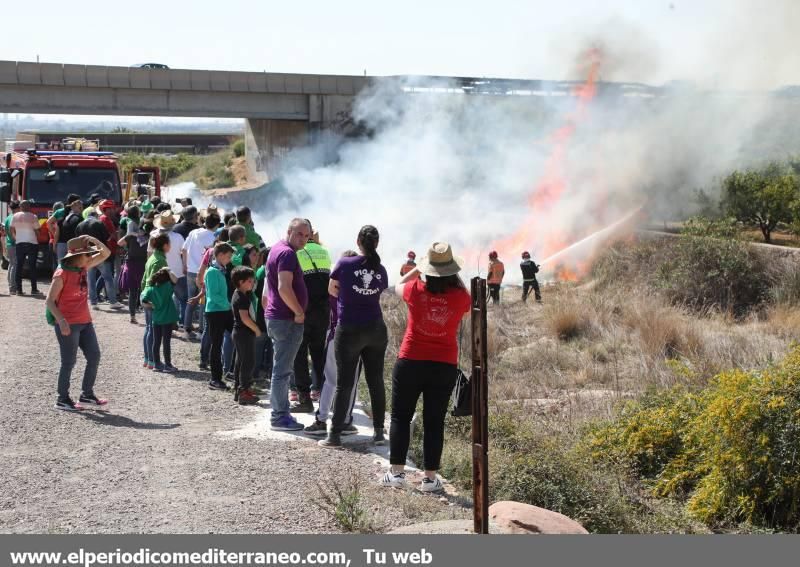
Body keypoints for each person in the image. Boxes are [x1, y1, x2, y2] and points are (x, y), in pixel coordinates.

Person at [381, 242, 471, 492]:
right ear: (452, 271)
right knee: (434, 421)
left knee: (401, 415)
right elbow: (468, 296)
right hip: (443, 365)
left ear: (427, 269)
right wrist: (452, 273)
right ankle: (430, 479)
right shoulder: (461, 296)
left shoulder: (414, 289)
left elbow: (393, 288)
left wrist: (418, 268)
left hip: (410, 360)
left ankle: (396, 474)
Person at [319, 225, 389, 448]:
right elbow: (380, 291)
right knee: (376, 381)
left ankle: (335, 435)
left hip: (349, 328)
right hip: (376, 328)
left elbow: (332, 289)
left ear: (358, 240)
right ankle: (379, 433)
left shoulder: (345, 263)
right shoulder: (381, 269)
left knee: (344, 383)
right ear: (376, 244)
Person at [45, 236, 111, 411]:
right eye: (86, 254)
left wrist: (95, 241)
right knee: (68, 362)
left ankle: (86, 395)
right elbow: (49, 301)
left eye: (90, 254)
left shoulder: (82, 267)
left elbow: (106, 253)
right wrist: (62, 321)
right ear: (75, 256)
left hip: (85, 321)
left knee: (94, 356)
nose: (90, 257)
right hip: (68, 323)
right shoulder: (61, 273)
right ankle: (62, 399)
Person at [304, 250, 361, 437]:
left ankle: (321, 420)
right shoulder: (361, 290)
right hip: (357, 336)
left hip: (336, 335)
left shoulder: (334, 289)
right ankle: (344, 421)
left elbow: (332, 282)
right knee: (350, 382)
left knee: (330, 380)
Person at [264, 218, 311, 431]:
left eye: (306, 235)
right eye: (299, 234)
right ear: (289, 231)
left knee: (281, 369)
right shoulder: (287, 254)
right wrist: (298, 312)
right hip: (287, 319)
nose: (303, 239)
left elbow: (268, 287)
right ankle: (279, 416)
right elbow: (284, 287)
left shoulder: (276, 249)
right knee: (282, 371)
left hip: (278, 317)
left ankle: (281, 412)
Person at [292, 227, 332, 411]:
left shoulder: (297, 252)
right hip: (322, 310)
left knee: (300, 353)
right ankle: (321, 390)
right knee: (318, 352)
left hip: (304, 308)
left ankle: (303, 396)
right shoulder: (324, 251)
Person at [182, 212, 219, 337]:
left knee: (191, 299)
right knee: (203, 301)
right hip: (203, 272)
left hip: (190, 270)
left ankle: (186, 326)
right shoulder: (214, 237)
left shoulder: (194, 232)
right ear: (217, 224)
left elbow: (184, 249)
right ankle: (202, 329)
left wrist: (184, 265)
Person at [205, 242, 235, 391]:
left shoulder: (222, 269)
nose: (230, 259)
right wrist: (229, 305)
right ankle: (215, 379)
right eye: (228, 256)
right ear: (221, 255)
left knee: (238, 336)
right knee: (216, 345)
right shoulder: (211, 271)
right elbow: (213, 295)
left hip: (224, 310)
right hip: (215, 312)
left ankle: (233, 371)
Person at [76, 210, 121, 308]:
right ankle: (113, 302)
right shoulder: (99, 223)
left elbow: (77, 241)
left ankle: (93, 302)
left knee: (90, 279)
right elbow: (107, 237)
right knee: (108, 278)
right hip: (100, 254)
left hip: (87, 254)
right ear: (96, 215)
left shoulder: (80, 225)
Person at [151, 211, 187, 329]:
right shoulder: (178, 237)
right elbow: (183, 253)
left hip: (160, 272)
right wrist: (185, 266)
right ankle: (182, 321)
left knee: (165, 298)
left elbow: (149, 254)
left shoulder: (153, 236)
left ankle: (169, 321)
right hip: (177, 271)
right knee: (182, 299)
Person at [230, 265, 261, 405]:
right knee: (248, 362)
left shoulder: (240, 294)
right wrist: (256, 329)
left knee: (240, 362)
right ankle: (244, 391)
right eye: (249, 281)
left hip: (240, 333)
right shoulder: (241, 297)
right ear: (241, 281)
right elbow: (245, 318)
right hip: (244, 333)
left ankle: (239, 389)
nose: (252, 283)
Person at [141, 267, 180, 373]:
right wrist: (168, 270)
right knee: (166, 342)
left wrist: (151, 305)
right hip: (167, 319)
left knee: (156, 341)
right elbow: (175, 280)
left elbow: (143, 300)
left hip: (156, 318)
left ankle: (157, 364)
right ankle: (167, 365)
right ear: (167, 278)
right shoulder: (167, 286)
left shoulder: (151, 288)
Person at [141, 233, 170, 369]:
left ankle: (148, 359)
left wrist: (143, 295)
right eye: (169, 243)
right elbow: (159, 284)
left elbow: (144, 278)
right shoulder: (160, 261)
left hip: (147, 295)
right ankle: (153, 360)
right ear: (165, 245)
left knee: (149, 329)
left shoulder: (152, 257)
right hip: (154, 298)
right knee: (153, 330)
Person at [117, 205, 147, 323]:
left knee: (133, 291)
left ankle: (132, 316)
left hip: (131, 263)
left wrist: (129, 235)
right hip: (143, 263)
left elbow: (119, 243)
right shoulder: (147, 236)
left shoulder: (129, 236)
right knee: (144, 289)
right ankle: (146, 313)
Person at [10, 200, 42, 295]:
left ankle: (18, 290)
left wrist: (16, 239)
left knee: (19, 266)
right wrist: (38, 235)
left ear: (20, 206)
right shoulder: (33, 216)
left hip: (20, 243)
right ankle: (34, 289)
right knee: (32, 267)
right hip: (32, 243)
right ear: (29, 207)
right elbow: (37, 231)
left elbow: (11, 229)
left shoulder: (15, 216)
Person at [253, 247, 273, 388]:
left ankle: (258, 373)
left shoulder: (261, 270)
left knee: (261, 345)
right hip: (264, 315)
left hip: (262, 314)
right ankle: (259, 373)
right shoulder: (265, 272)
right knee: (264, 345)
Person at [4, 201, 19, 294]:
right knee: (15, 265)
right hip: (14, 244)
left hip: (9, 243)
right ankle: (13, 287)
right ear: (17, 208)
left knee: (11, 264)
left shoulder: (8, 218)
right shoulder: (14, 218)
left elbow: (6, 231)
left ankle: (10, 284)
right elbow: (14, 231)